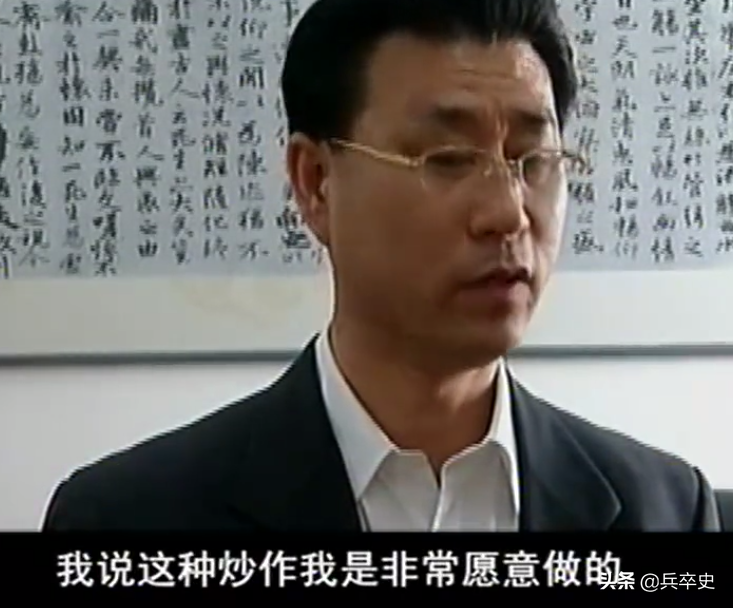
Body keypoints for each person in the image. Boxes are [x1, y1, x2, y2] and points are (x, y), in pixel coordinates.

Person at [43, 0, 719, 532]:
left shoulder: (664, 510)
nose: (507, 213)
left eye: (533, 160)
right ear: (315, 183)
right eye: (448, 159)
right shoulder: (129, 517)